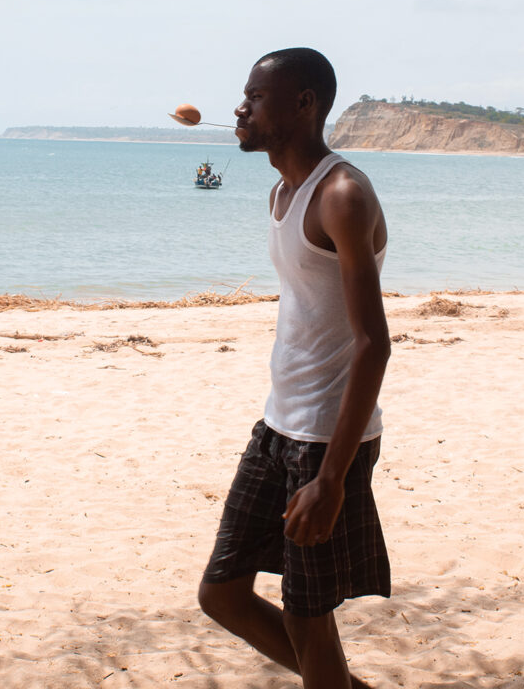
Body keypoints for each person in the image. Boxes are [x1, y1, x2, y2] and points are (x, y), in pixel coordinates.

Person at [198, 48, 391, 689]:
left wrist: (331, 479)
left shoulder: (342, 195)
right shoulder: (283, 193)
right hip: (278, 427)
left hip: (326, 440)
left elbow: (373, 343)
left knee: (309, 621)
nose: (240, 109)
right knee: (222, 592)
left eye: (256, 97)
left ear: (303, 103)